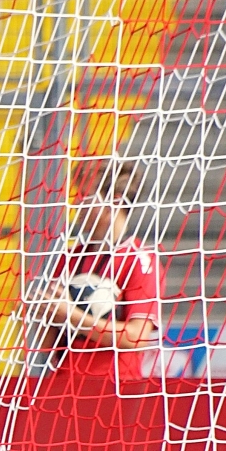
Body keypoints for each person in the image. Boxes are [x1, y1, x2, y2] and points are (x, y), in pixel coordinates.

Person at [41, 161, 162, 381]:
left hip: (115, 387)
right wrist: (42, 314)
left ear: (114, 200)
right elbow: (45, 345)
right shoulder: (69, 258)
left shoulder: (140, 260)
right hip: (62, 384)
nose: (76, 204)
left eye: (85, 196)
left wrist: (73, 316)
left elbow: (137, 336)